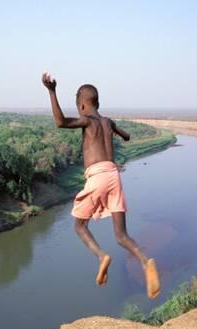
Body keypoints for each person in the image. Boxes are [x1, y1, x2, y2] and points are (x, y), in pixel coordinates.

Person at [42, 72, 160, 299]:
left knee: (79, 226)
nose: (79, 111)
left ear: (83, 105)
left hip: (97, 176)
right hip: (114, 175)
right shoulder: (108, 122)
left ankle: (101, 256)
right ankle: (146, 262)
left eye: (79, 107)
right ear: (99, 103)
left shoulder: (87, 121)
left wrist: (51, 91)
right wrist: (121, 135)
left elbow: (60, 122)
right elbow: (125, 136)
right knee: (121, 235)